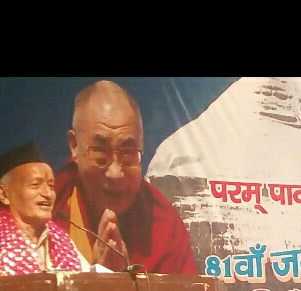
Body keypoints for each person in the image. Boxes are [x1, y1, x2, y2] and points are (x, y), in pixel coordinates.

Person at [53, 79, 197, 274]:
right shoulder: (48, 211)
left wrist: (123, 282)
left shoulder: (163, 225)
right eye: (100, 152)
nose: (115, 173)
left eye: (128, 154)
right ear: (74, 146)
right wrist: (94, 281)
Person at [0, 142, 90, 281]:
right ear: (4, 195)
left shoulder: (65, 244)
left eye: (51, 186)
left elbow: (89, 285)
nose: (48, 194)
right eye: (35, 185)